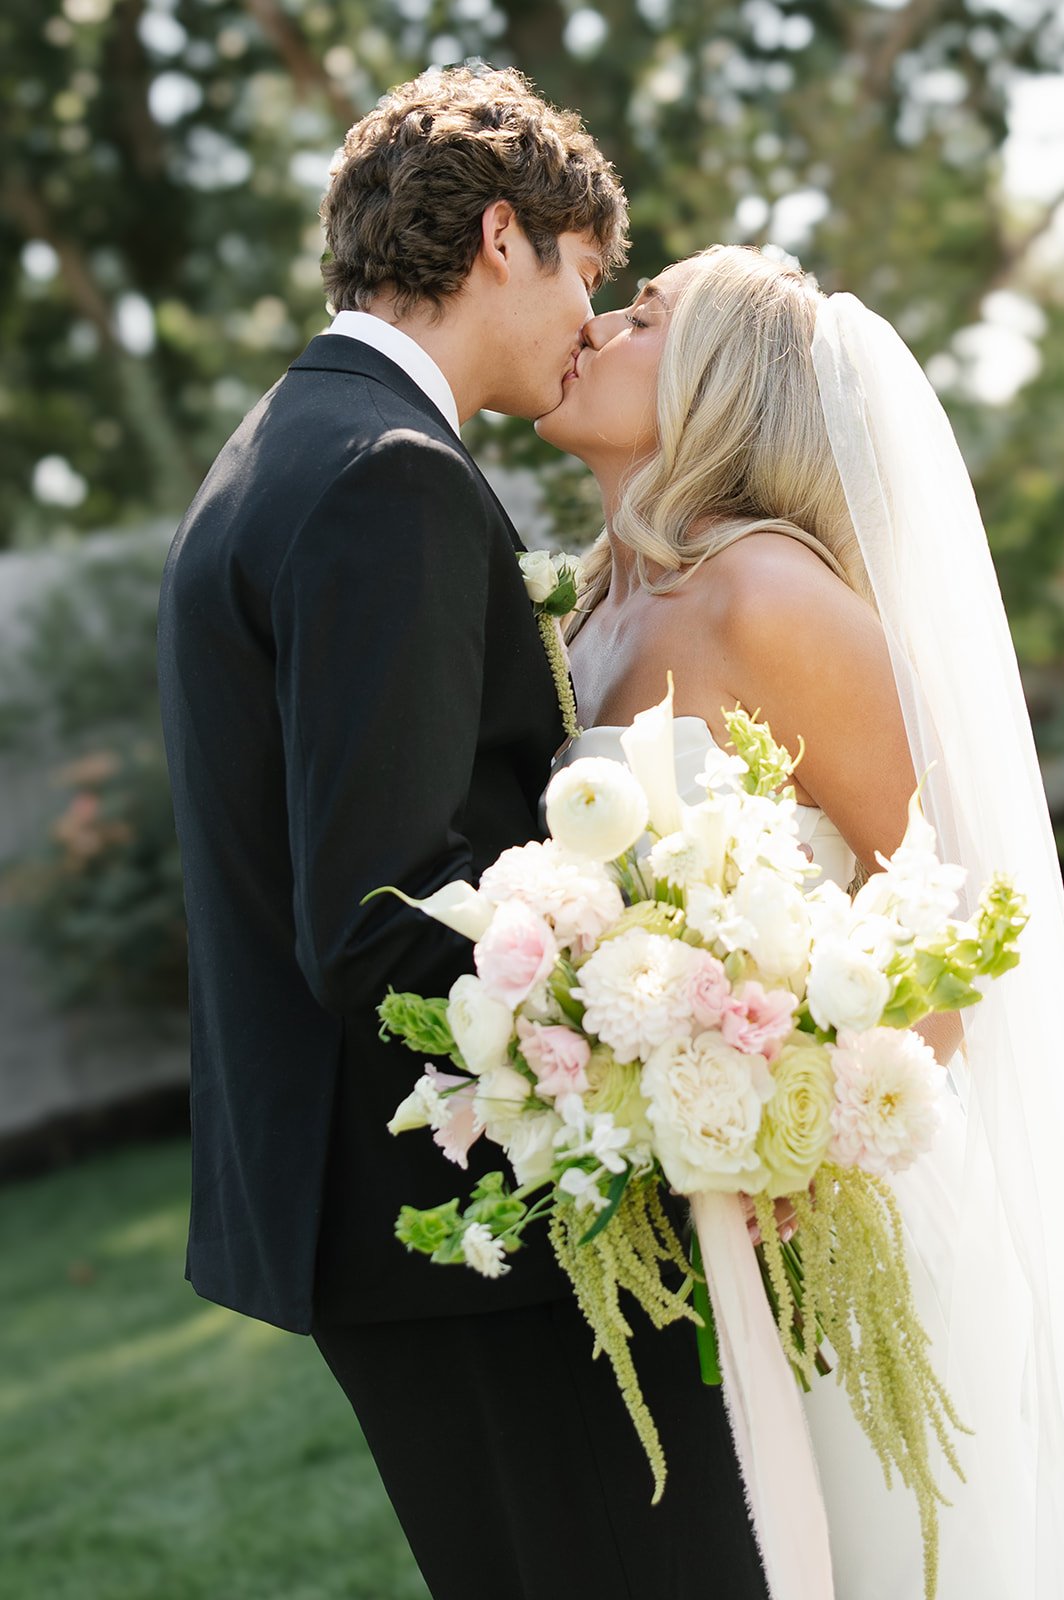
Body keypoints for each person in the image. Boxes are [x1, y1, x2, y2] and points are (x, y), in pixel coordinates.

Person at [157, 70, 769, 1600]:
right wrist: (665, 1010)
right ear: (505, 236)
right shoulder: (390, 479)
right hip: (465, 1228)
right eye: (583, 274)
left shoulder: (281, 448)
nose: (589, 318)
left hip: (375, 1227)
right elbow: (385, 904)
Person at [536, 243, 1064, 1596]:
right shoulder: (587, 615)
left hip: (843, 1218)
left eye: (644, 314)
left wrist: (790, 1136)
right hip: (693, 1206)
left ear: (723, 382)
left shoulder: (766, 596)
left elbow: (942, 933)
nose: (597, 325)